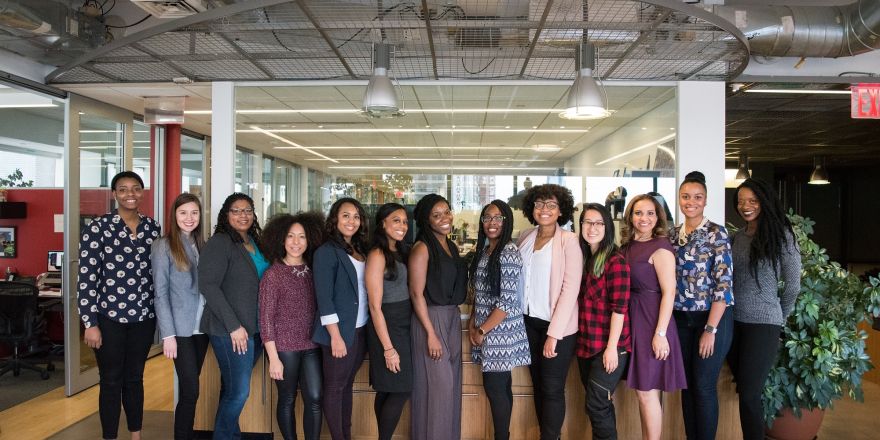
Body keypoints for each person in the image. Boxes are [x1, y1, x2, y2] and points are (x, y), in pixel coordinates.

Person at [78, 171, 160, 440]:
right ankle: (110, 436)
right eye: (123, 189)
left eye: (135, 189)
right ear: (114, 194)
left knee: (135, 378)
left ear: (142, 192)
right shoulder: (98, 227)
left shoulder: (153, 228)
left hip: (144, 317)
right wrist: (90, 323)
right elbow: (87, 278)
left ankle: (135, 434)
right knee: (111, 380)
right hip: (108, 318)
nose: (130, 194)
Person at [728, 178, 801, 440]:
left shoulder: (782, 237)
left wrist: (777, 316)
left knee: (749, 394)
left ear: (764, 202)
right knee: (743, 391)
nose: (746, 206)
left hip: (763, 326)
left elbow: (793, 285)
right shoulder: (736, 238)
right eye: (741, 201)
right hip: (733, 323)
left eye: (752, 201)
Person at [199, 193, 269, 440]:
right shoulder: (220, 242)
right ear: (226, 215)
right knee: (239, 393)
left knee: (232, 390)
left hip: (256, 328)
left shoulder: (252, 240)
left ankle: (228, 434)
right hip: (232, 330)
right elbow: (208, 285)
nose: (243, 215)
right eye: (236, 210)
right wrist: (234, 327)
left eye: (247, 210)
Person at [670, 171, 734, 440]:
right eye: (686, 196)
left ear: (705, 200)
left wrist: (710, 329)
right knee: (687, 386)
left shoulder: (717, 233)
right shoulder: (673, 235)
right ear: (679, 199)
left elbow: (724, 285)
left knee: (704, 386)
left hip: (712, 320)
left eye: (697, 197)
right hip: (681, 320)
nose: (691, 202)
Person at [516, 183, 583, 440]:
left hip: (558, 328)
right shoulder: (525, 236)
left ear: (561, 210)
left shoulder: (569, 241)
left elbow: (570, 289)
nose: (544, 210)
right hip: (529, 324)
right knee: (538, 386)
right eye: (539, 204)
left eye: (551, 205)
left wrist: (554, 334)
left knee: (553, 388)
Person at [621, 194, 686, 440]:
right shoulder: (626, 246)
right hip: (632, 319)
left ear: (658, 216)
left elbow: (669, 292)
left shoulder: (661, 247)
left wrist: (660, 334)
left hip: (652, 321)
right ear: (630, 216)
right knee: (641, 392)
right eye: (639, 213)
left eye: (650, 213)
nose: (644, 218)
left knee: (647, 392)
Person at [467, 200, 531, 440]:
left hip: (500, 332)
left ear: (506, 221)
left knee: (495, 388)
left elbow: (506, 302)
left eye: (497, 218)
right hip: (486, 327)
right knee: (500, 387)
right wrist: (473, 320)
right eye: (487, 218)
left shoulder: (509, 252)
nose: (491, 223)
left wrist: (481, 331)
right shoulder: (485, 251)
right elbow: (480, 292)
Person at [259, 212, 325, 440]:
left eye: (302, 237)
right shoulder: (273, 274)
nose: (296, 242)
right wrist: (273, 358)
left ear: (310, 240)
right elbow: (265, 318)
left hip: (312, 345)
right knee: (287, 399)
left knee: (315, 397)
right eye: (290, 236)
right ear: (281, 239)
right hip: (284, 348)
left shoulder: (315, 270)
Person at [408, 193, 467, 440]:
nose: (445, 218)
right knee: (437, 391)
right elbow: (416, 293)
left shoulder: (450, 245)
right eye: (436, 214)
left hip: (451, 319)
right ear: (426, 220)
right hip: (430, 321)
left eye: (447, 211)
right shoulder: (422, 248)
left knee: (451, 390)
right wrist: (431, 334)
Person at [312, 197, 370, 440]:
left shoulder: (359, 249)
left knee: (346, 386)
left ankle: (345, 434)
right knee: (335, 389)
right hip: (339, 333)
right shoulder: (326, 252)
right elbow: (324, 298)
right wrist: (335, 336)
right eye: (346, 215)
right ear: (335, 218)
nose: (351, 221)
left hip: (359, 329)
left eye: (356, 216)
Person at [151, 193, 207, 440]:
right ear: (174, 215)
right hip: (180, 330)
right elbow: (160, 293)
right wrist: (168, 335)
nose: (189, 218)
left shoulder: (203, 244)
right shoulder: (163, 245)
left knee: (191, 388)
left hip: (203, 328)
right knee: (190, 390)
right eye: (183, 212)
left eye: (194, 213)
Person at [575, 203, 631, 440]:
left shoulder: (615, 261)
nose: (592, 227)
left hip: (610, 347)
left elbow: (620, 309)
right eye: (587, 222)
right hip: (587, 344)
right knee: (599, 404)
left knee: (597, 404)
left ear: (607, 227)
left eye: (598, 223)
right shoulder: (586, 258)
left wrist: (611, 349)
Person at [365, 203, 413, 440]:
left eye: (404, 221)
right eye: (396, 220)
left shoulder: (400, 250)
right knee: (401, 388)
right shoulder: (377, 254)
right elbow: (374, 306)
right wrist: (388, 348)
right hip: (386, 326)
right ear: (382, 223)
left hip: (402, 324)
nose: (402, 226)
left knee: (387, 389)